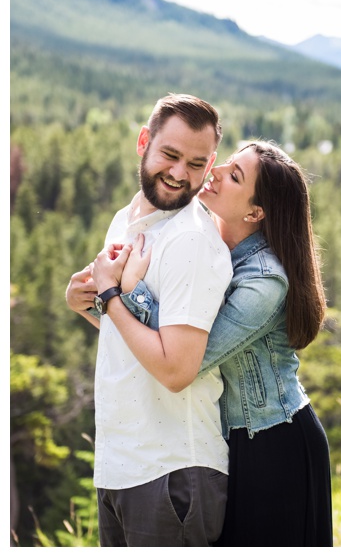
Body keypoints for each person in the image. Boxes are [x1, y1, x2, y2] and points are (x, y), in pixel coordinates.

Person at [91, 140, 333, 546]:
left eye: (235, 176)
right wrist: (94, 295)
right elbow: (137, 342)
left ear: (255, 212)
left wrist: (125, 290)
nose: (215, 172)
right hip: (229, 443)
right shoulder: (201, 243)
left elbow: (187, 358)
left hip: (274, 443)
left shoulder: (264, 280)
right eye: (227, 163)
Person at [65, 93, 233, 546]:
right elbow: (140, 342)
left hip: (172, 471)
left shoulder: (189, 241)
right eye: (170, 155)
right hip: (122, 465)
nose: (180, 174)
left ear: (211, 162)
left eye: (197, 164)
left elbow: (176, 370)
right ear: (144, 141)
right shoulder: (127, 219)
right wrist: (85, 302)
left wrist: (109, 296)